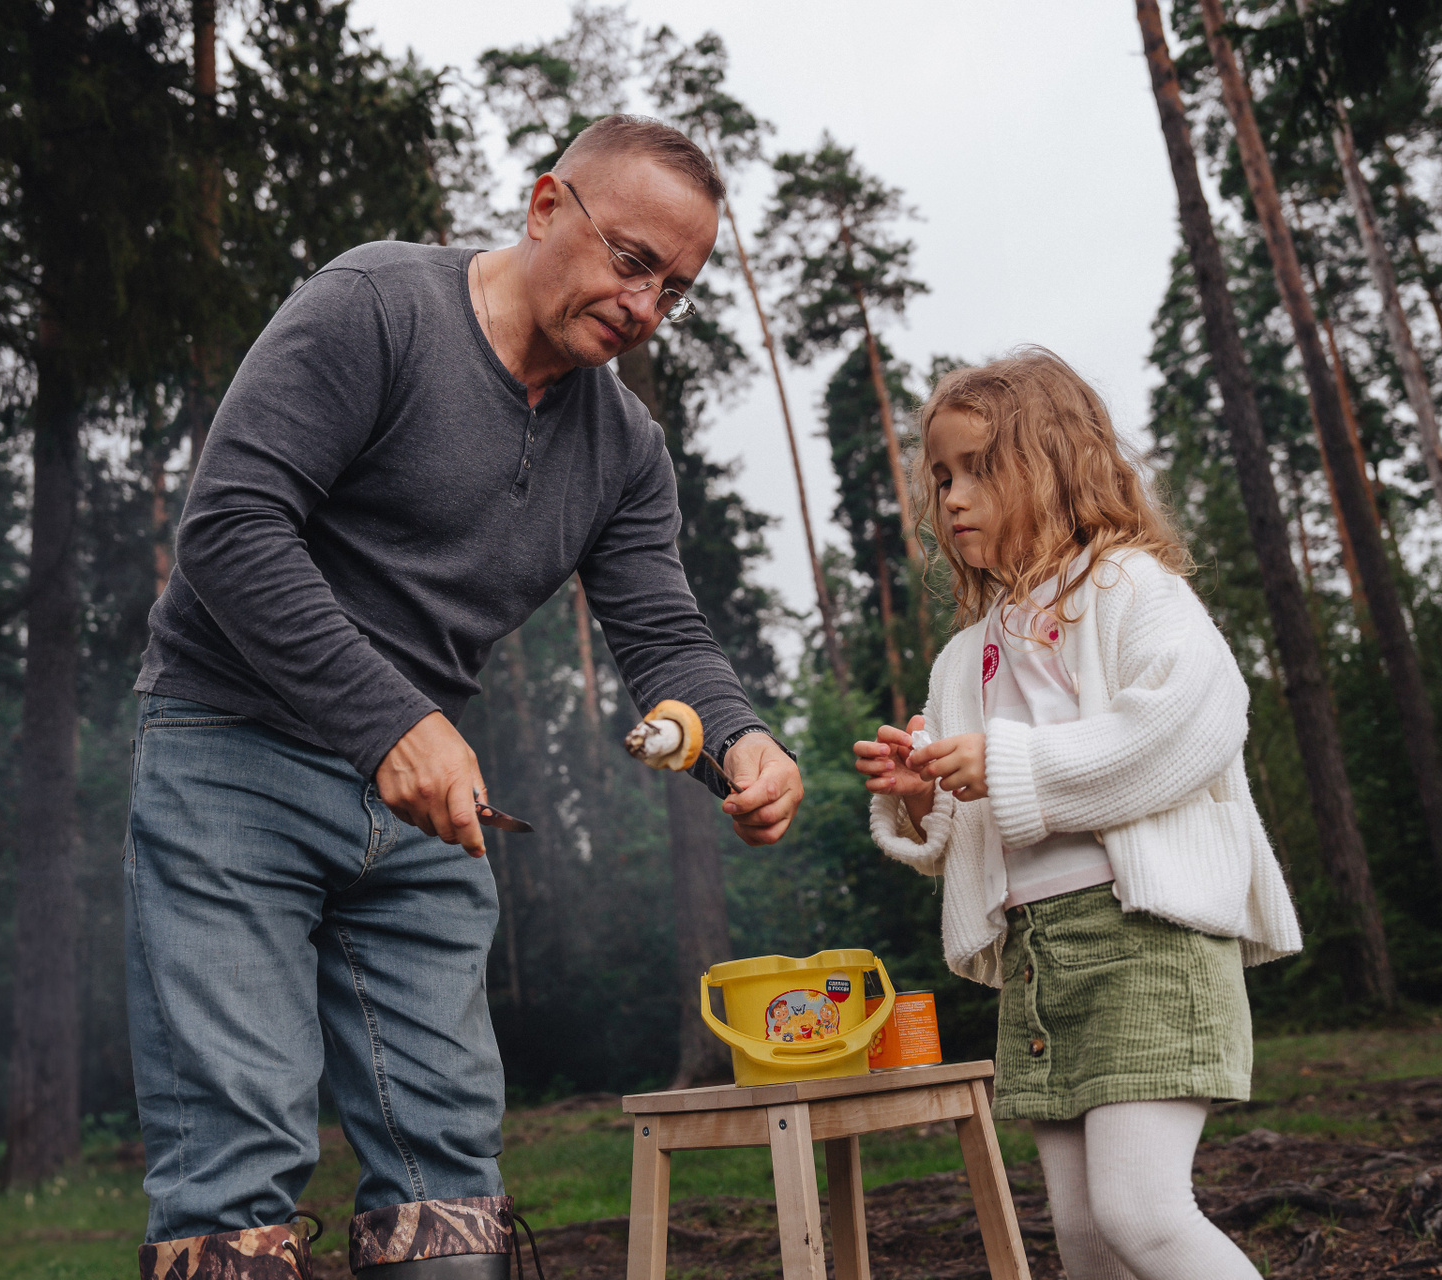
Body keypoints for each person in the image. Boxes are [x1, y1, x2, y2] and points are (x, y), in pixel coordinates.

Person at [127, 115, 803, 1280]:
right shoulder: (376, 307)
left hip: (427, 804)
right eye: (632, 261)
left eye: (675, 289)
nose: (646, 305)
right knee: (235, 1157)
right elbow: (229, 527)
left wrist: (739, 737)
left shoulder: (625, 448)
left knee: (448, 1167)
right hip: (231, 755)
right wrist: (390, 719)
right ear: (545, 205)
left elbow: (662, 631)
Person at [853, 348, 1300, 1279]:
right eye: (942, 477)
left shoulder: (1131, 588)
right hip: (1040, 958)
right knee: (1089, 1243)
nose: (954, 498)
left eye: (981, 469)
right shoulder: (964, 657)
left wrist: (1006, 761)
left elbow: (1189, 725)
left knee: (1143, 1217)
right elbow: (979, 828)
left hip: (1145, 938)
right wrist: (927, 796)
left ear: (1057, 467)